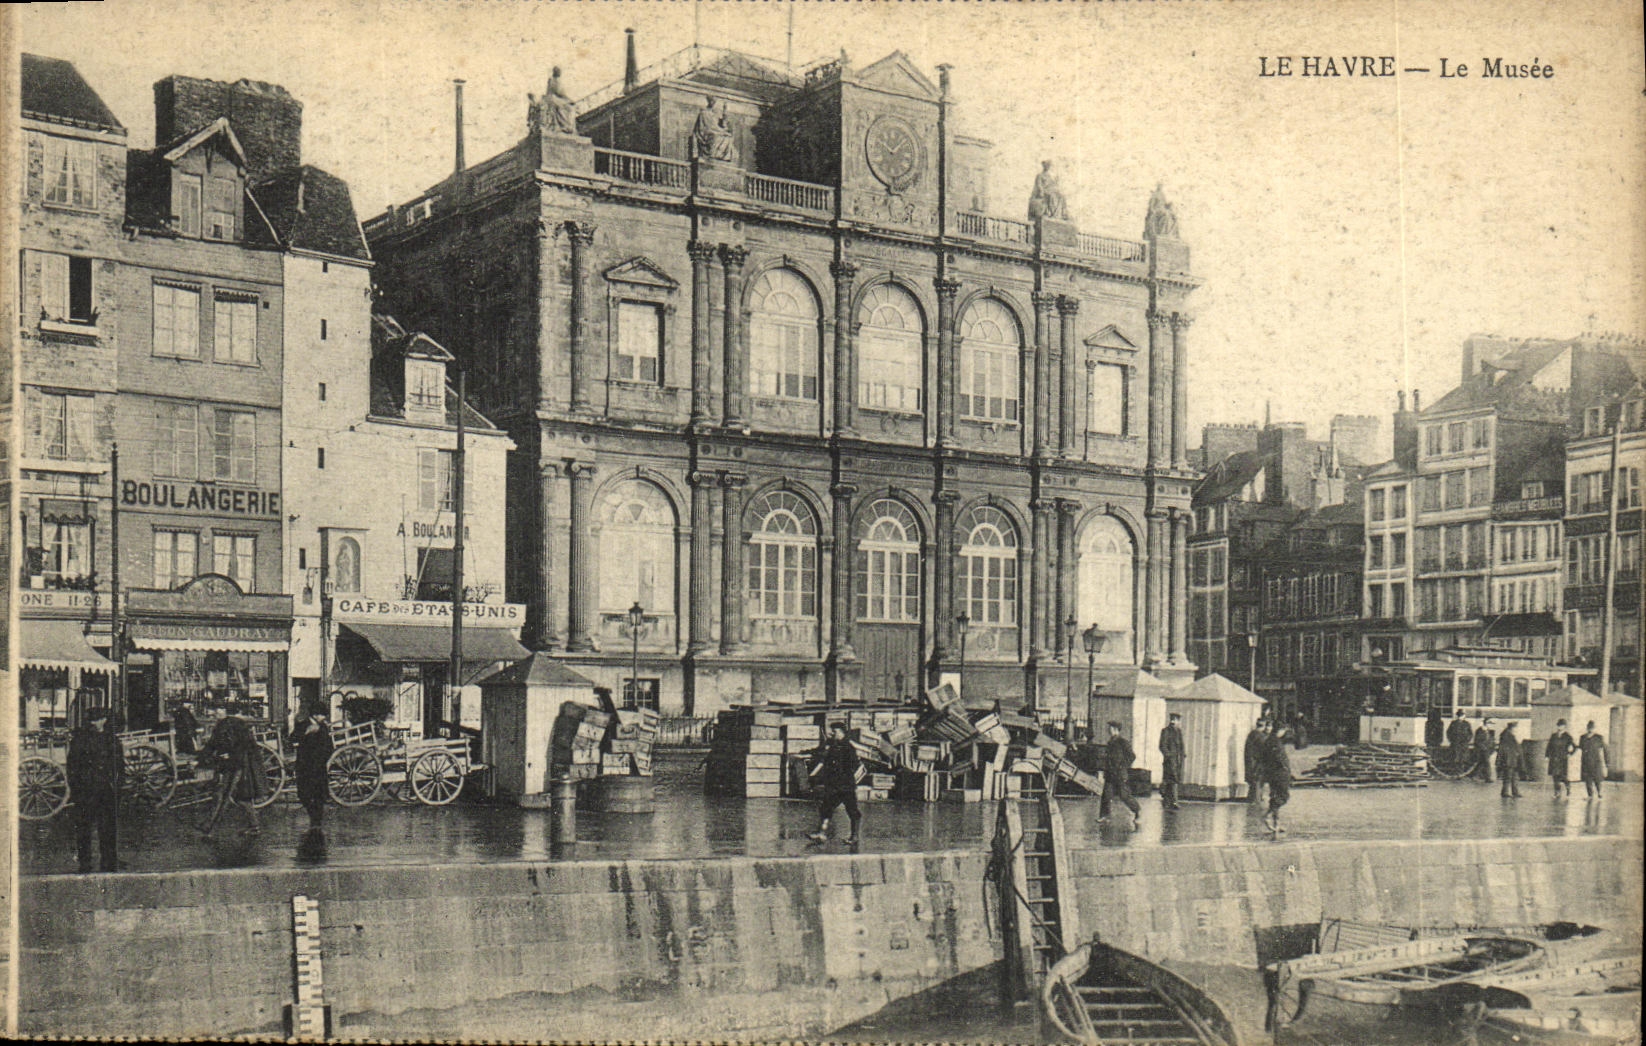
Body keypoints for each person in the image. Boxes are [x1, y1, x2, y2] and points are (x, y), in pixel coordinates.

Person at [66, 707, 121, 873]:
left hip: (105, 790)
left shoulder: (112, 739)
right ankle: (85, 863)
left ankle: (109, 862)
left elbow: (119, 766)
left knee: (108, 828)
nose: (94, 723)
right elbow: (72, 767)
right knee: (84, 828)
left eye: (97, 719)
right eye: (92, 720)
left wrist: (118, 787)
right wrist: (76, 789)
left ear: (104, 720)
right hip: (86, 790)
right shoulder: (80, 740)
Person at [199, 715, 268, 836]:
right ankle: (254, 826)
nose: (215, 714)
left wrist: (226, 756)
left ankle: (211, 828)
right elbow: (212, 745)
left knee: (224, 795)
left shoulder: (230, 725)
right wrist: (202, 759)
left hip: (238, 766)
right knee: (241, 798)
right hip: (238, 765)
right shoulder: (230, 725)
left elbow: (236, 748)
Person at [807, 722, 862, 844]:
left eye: (835, 731)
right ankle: (821, 833)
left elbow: (854, 765)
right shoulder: (833, 746)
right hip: (834, 786)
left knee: (852, 811)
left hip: (846, 786)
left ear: (842, 733)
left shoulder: (848, 748)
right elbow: (824, 758)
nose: (832, 733)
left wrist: (843, 775)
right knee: (826, 808)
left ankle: (855, 836)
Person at [293, 711, 334, 828]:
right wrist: (306, 732)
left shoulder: (323, 727)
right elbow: (292, 738)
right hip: (304, 766)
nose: (324, 717)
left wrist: (323, 759)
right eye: (322, 714)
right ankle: (313, 815)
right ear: (315, 714)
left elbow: (329, 746)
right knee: (303, 794)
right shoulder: (303, 724)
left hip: (318, 766)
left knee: (319, 795)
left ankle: (316, 822)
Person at [1098, 721, 1140, 829]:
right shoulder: (1110, 742)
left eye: (1111, 728)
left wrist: (1122, 766)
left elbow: (1132, 756)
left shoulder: (1123, 742)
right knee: (1106, 795)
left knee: (1124, 795)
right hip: (1110, 774)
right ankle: (1104, 816)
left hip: (1120, 774)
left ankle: (1137, 811)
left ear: (1116, 729)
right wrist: (1104, 770)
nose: (1109, 730)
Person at [1264, 723, 1293, 833]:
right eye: (1283, 730)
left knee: (1275, 797)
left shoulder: (1270, 740)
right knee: (1283, 796)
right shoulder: (1275, 742)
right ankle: (1267, 815)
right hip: (1279, 773)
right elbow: (1278, 758)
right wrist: (1285, 769)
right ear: (1280, 730)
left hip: (1272, 773)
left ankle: (1276, 823)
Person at [692, 97, 736, 162]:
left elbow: (721, 126)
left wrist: (724, 114)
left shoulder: (715, 114)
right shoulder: (703, 113)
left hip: (716, 131)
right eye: (712, 101)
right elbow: (701, 128)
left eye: (714, 101)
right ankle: (712, 155)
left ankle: (724, 157)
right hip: (707, 134)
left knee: (728, 137)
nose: (713, 103)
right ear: (709, 101)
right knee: (715, 136)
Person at [1158, 713, 1185, 811]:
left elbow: (1181, 746)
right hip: (1169, 761)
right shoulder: (1166, 731)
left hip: (1177, 760)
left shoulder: (1178, 731)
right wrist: (1168, 756)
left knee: (1173, 780)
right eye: (1174, 720)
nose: (1175, 722)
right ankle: (1173, 801)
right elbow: (1162, 746)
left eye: (1176, 720)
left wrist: (1182, 756)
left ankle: (1168, 801)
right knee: (1171, 780)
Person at [1545, 720, 1576, 799]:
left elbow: (1575, 746)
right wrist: (1547, 756)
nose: (1559, 727)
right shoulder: (1553, 736)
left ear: (1564, 726)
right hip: (1553, 758)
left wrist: (1570, 754)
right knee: (1555, 776)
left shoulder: (1567, 736)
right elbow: (1549, 746)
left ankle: (1568, 786)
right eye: (1558, 725)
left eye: (1561, 725)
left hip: (1562, 759)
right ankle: (1557, 792)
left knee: (1562, 776)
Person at [1244, 718, 1270, 807]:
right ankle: (1255, 801)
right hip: (1257, 763)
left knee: (1254, 783)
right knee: (1257, 782)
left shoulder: (1251, 734)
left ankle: (1252, 799)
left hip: (1250, 762)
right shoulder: (1261, 736)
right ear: (1264, 725)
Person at [1578, 721, 1608, 798]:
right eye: (1589, 728)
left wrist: (1607, 762)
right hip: (1586, 762)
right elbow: (1580, 748)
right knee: (1588, 780)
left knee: (1597, 779)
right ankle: (1590, 795)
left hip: (1596, 762)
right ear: (1587, 728)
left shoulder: (1599, 738)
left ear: (1594, 729)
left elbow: (1605, 750)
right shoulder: (1582, 738)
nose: (1590, 730)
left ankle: (1599, 792)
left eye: (1592, 728)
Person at [1496, 723, 1523, 798]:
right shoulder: (1507, 737)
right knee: (1508, 776)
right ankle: (1505, 792)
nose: (1516, 730)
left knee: (1514, 776)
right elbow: (1504, 749)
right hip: (1508, 760)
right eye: (1515, 728)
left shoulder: (1511, 736)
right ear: (1511, 728)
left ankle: (1514, 792)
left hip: (1513, 759)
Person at [1473, 718, 1498, 783]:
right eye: (1490, 724)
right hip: (1482, 750)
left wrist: (1492, 748)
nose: (1491, 725)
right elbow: (1477, 741)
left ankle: (1476, 775)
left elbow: (1492, 741)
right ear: (1486, 724)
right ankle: (1488, 778)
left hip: (1488, 750)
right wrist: (1484, 748)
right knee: (1487, 763)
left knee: (1481, 763)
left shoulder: (1490, 731)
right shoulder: (1479, 730)